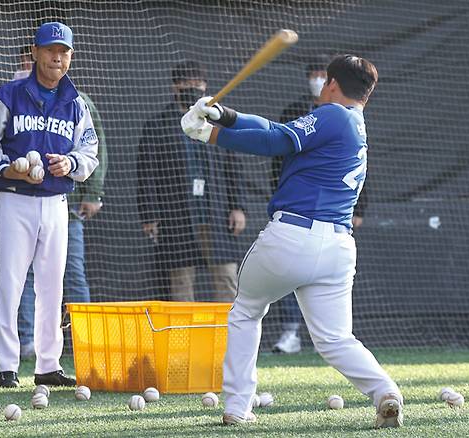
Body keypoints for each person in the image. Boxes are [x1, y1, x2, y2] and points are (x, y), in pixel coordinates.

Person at [181, 54, 403, 428]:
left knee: (246, 311)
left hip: (292, 236)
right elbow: (278, 128)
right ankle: (385, 392)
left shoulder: (333, 115)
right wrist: (225, 117)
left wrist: (209, 134)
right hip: (337, 246)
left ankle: (236, 405)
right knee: (335, 339)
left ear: (332, 83)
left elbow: (277, 140)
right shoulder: (354, 122)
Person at [0, 21, 98, 388]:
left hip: (57, 202)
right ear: (35, 52)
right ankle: (7, 366)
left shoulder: (76, 103)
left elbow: (89, 151)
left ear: (70, 57)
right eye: (49, 50)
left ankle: (47, 364)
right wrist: (6, 168)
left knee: (52, 286)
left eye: (63, 52)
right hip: (13, 200)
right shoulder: (6, 95)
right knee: (11, 283)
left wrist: (70, 163)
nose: (56, 58)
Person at [12, 46, 108, 359]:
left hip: (66, 206)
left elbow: (96, 150)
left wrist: (92, 194)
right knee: (24, 273)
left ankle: (87, 340)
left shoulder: (77, 101)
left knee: (72, 273)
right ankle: (28, 341)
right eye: (31, 60)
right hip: (22, 203)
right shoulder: (12, 98)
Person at [270, 55, 368, 354]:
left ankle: (323, 339)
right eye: (314, 75)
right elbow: (278, 152)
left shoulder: (344, 116)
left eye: (322, 76)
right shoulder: (298, 110)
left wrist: (359, 209)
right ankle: (291, 333)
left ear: (334, 83)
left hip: (335, 217)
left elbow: (356, 164)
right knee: (286, 278)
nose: (318, 81)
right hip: (298, 210)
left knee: (248, 305)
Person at [137, 60, 246, 303]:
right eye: (187, 84)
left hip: (215, 212)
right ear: (175, 87)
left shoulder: (218, 121)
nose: (193, 88)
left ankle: (229, 338)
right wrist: (150, 216)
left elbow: (233, 168)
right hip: (176, 213)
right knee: (181, 280)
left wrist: (237, 207)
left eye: (198, 84)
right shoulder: (158, 125)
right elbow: (147, 173)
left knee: (227, 276)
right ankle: (183, 340)